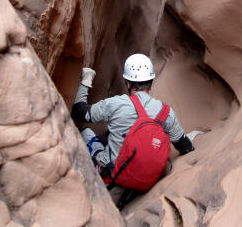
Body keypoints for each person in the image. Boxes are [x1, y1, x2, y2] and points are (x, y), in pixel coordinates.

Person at [71, 53, 194, 185]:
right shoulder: (165, 112)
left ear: (128, 83)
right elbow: (185, 147)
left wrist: (86, 81)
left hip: (114, 176)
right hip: (148, 179)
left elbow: (79, 112)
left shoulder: (115, 104)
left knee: (85, 132)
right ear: (151, 82)